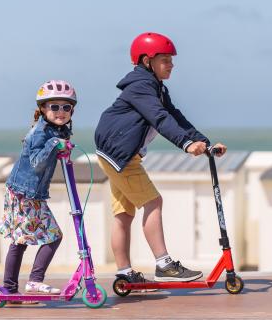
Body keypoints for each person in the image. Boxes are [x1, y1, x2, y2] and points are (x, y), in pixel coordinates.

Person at [94, 32, 227, 285]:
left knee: (124, 213)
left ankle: (124, 273)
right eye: (165, 60)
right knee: (153, 202)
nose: (171, 65)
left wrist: (206, 144)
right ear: (147, 61)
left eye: (171, 60)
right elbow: (160, 119)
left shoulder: (155, 87)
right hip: (120, 155)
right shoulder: (141, 87)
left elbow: (176, 117)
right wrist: (186, 144)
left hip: (115, 154)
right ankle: (164, 264)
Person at [0, 80, 77, 298]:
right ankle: (34, 281)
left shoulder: (56, 130)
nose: (61, 111)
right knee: (53, 236)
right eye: (54, 106)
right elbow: (36, 162)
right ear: (43, 108)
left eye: (66, 107)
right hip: (25, 193)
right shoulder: (40, 132)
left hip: (29, 193)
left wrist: (62, 146)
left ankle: (10, 288)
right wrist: (55, 145)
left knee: (20, 241)